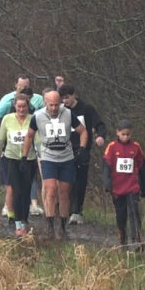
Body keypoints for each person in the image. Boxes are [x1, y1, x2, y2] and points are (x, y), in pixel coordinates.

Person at [25, 90, 87, 239]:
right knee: (51, 190)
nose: (54, 108)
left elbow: (83, 131)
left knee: (64, 193)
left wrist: (82, 149)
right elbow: (29, 136)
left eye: (56, 105)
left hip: (66, 157)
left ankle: (63, 227)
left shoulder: (67, 114)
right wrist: (24, 156)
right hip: (48, 156)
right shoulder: (38, 116)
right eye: (51, 105)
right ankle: (50, 226)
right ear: (45, 102)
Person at [60, 84, 107, 225]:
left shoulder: (86, 108)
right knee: (67, 181)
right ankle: (65, 210)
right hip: (65, 149)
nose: (65, 101)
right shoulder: (61, 110)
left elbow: (100, 124)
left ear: (74, 95)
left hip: (82, 149)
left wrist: (101, 136)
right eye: (62, 98)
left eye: (67, 98)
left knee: (80, 181)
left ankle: (77, 211)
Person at [0, 94, 38, 237]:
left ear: (28, 106)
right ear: (14, 106)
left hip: (29, 159)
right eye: (19, 106)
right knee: (17, 191)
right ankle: (18, 223)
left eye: (24, 106)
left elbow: (38, 140)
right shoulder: (7, 119)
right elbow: (0, 140)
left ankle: (24, 219)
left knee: (26, 192)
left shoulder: (33, 119)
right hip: (11, 159)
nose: (21, 109)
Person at [103, 119, 145, 250]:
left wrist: (144, 187)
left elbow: (142, 167)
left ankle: (136, 240)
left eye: (128, 134)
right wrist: (107, 184)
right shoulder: (112, 147)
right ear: (117, 132)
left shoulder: (136, 147)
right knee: (121, 214)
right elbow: (106, 166)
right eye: (123, 134)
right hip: (117, 188)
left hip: (132, 186)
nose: (125, 137)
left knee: (135, 212)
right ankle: (123, 239)